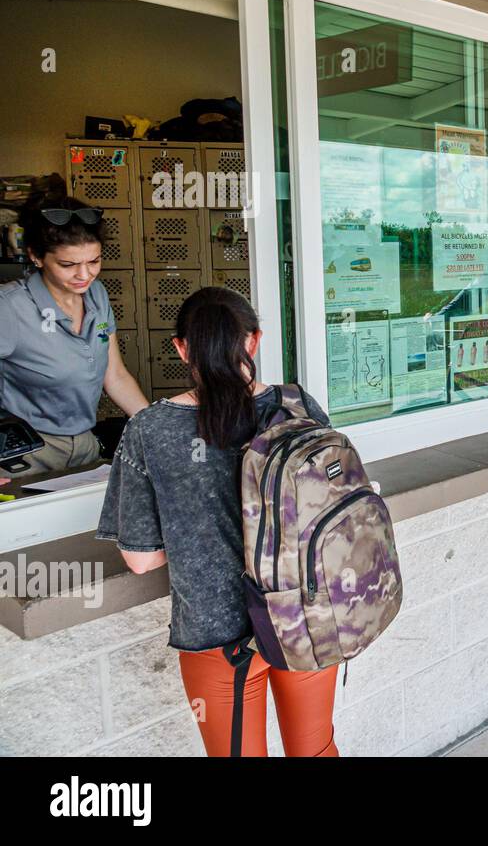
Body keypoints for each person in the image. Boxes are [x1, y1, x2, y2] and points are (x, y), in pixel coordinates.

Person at [95, 287, 339, 756]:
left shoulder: (151, 429)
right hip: (305, 614)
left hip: (218, 635)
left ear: (181, 348)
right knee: (315, 749)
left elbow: (143, 560)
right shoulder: (298, 406)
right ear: (255, 341)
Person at [0, 181, 148, 479]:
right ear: (36, 256)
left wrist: (157, 429)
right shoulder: (10, 307)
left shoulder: (97, 294)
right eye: (68, 265)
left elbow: (115, 376)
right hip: (26, 455)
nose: (85, 275)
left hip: (84, 446)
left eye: (94, 261)